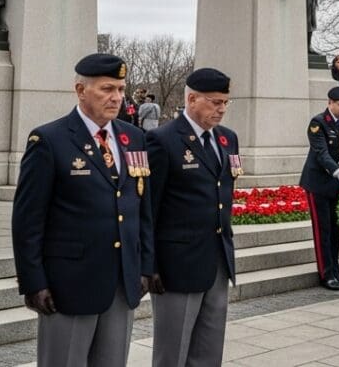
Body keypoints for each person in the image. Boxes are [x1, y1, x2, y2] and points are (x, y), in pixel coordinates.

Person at [12, 54, 153, 367]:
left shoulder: (134, 138)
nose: (116, 97)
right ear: (80, 90)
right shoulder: (49, 139)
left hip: (121, 282)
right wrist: (34, 282)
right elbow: (28, 220)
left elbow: (142, 208)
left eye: (120, 89)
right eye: (107, 89)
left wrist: (145, 265)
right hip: (69, 285)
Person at [145, 68, 240, 366]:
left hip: (217, 260)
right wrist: (150, 264)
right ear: (192, 99)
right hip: (177, 266)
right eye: (215, 102)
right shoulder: (162, 140)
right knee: (172, 353)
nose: (221, 109)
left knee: (209, 352)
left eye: (225, 102)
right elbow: (148, 208)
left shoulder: (227, 139)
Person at [299, 86, 339, 290]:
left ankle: (336, 271)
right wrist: (338, 172)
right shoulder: (318, 123)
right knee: (323, 230)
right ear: (330, 103)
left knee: (335, 230)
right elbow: (321, 153)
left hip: (335, 185)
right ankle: (326, 274)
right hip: (318, 183)